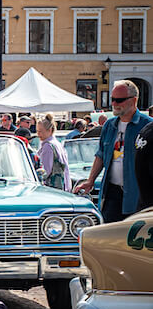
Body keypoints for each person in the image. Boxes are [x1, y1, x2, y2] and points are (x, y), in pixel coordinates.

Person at [74, 80, 153, 222]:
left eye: (119, 100)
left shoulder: (147, 126)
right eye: (112, 99)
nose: (114, 104)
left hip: (138, 196)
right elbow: (101, 155)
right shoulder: (109, 125)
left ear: (134, 100)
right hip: (111, 193)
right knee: (110, 235)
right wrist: (90, 180)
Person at [36, 114, 71, 191]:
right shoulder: (57, 143)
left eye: (40, 131)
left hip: (53, 188)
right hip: (64, 186)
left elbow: (45, 172)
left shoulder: (48, 146)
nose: (38, 134)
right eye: (37, 131)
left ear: (50, 130)